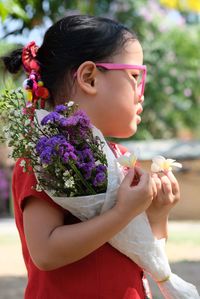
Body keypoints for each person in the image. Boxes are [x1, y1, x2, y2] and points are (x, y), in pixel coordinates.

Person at [2, 15, 180, 299]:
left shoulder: (120, 157)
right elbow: (46, 252)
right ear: (89, 78)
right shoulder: (42, 152)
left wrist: (157, 216)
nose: (141, 93)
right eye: (135, 77)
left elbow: (144, 253)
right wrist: (124, 212)